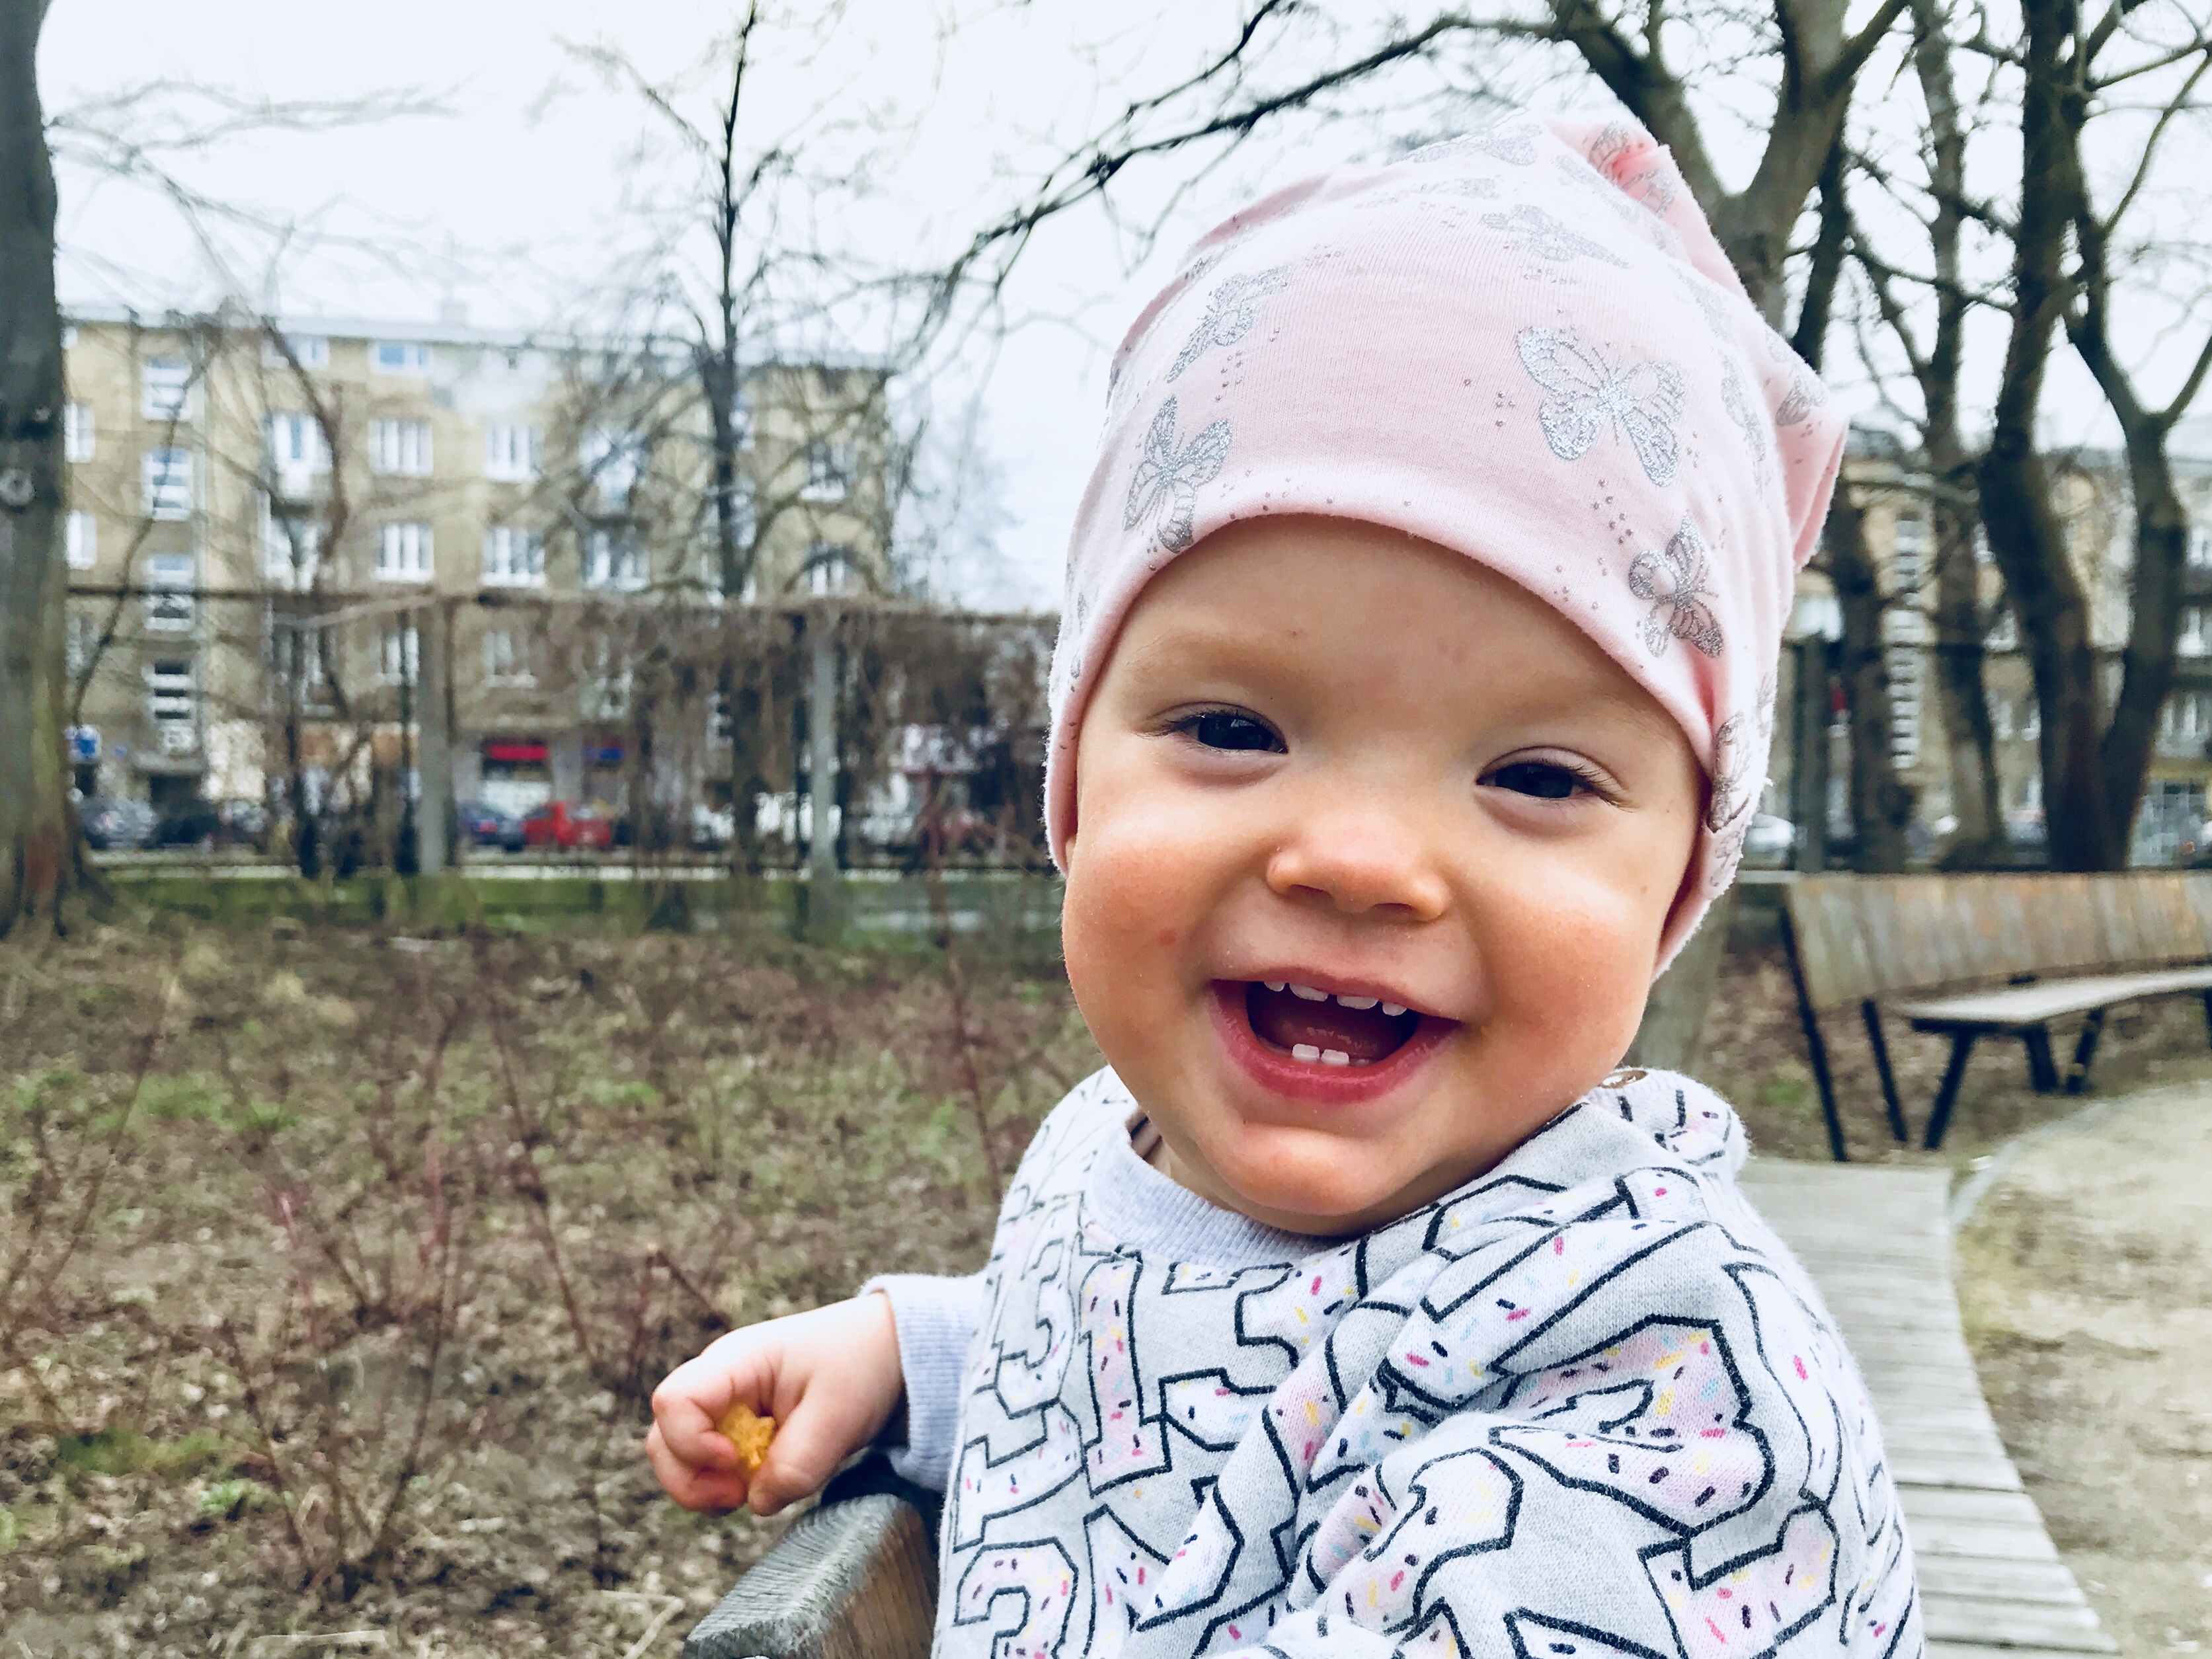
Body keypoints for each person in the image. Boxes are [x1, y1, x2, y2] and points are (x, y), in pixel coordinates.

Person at [649, 111, 1920, 1658]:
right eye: (1233, 729)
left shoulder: (1658, 1402)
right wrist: (922, 1359)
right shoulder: (1126, 1144)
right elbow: (1181, 1386)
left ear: (1673, 888)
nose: (1357, 860)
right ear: (1074, 786)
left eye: (1533, 775)